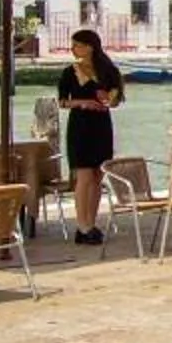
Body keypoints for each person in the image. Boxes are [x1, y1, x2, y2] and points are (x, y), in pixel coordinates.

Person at [57, 28, 125, 245]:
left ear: (90, 46)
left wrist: (108, 98)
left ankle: (91, 223)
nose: (73, 49)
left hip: (101, 124)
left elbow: (115, 98)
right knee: (84, 176)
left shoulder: (107, 70)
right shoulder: (70, 72)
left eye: (77, 44)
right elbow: (61, 101)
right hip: (80, 124)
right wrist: (81, 102)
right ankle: (82, 225)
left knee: (97, 176)